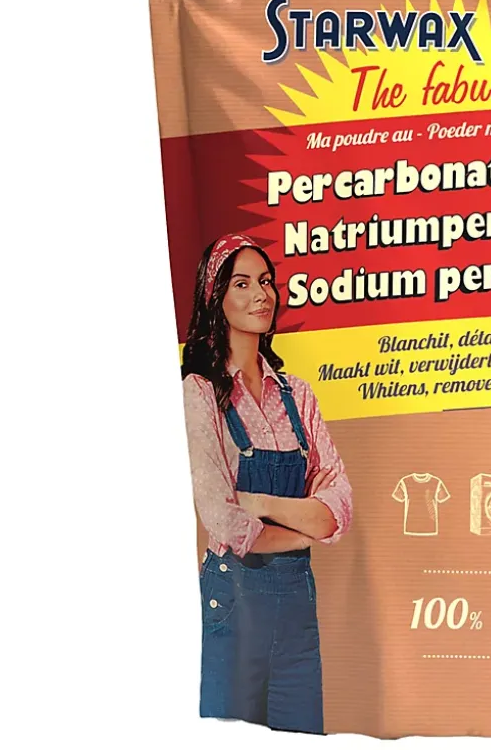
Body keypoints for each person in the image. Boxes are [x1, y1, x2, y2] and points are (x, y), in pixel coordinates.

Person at [181, 233, 352, 732]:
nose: (262, 295)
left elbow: (337, 507)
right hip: (233, 606)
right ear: (216, 297)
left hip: (296, 609)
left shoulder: (299, 395)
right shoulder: (200, 394)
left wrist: (258, 501)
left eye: (266, 281)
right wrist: (302, 532)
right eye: (242, 284)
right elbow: (222, 519)